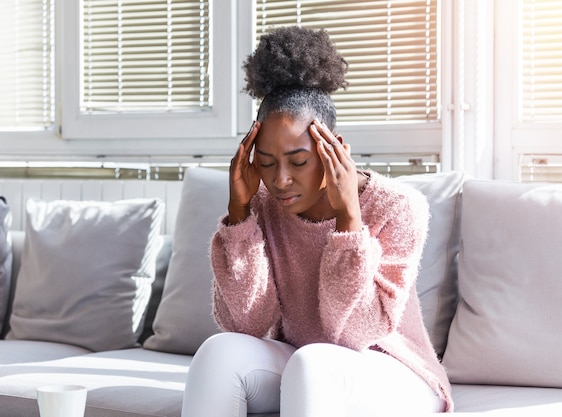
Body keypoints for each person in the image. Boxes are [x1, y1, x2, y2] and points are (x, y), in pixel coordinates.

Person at [181, 26, 453, 417]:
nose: (280, 180)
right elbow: (246, 324)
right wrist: (239, 214)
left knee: (313, 364)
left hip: (394, 371)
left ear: (334, 150)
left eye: (298, 161)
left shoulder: (398, 206)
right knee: (218, 353)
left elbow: (355, 333)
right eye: (267, 162)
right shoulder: (262, 205)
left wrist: (349, 221)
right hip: (303, 363)